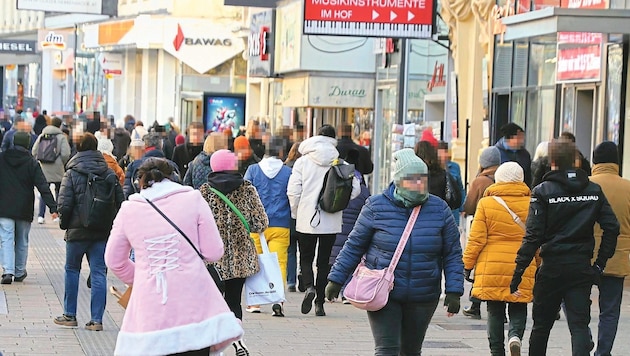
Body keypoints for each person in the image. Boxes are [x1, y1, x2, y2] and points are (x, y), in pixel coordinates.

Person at [325, 148, 463, 355]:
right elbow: (354, 245)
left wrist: (454, 291)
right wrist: (336, 280)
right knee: (387, 349)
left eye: (422, 179)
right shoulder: (376, 206)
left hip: (423, 294)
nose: (418, 185)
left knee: (410, 351)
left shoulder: (439, 209)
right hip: (383, 291)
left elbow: (452, 253)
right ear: (399, 180)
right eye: (412, 179)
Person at [104, 158, 243, 356]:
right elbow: (213, 252)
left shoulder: (129, 210)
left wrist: (144, 276)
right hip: (195, 308)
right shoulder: (193, 199)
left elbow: (113, 260)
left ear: (140, 182)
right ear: (174, 177)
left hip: (151, 312)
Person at [510, 138, 619, 356]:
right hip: (580, 267)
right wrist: (599, 264)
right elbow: (612, 227)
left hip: (551, 267)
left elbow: (533, 236)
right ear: (576, 162)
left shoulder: (542, 192)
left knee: (541, 327)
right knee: (579, 326)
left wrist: (519, 271)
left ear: (552, 162)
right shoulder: (593, 190)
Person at [199, 149, 268, 356]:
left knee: (210, 302)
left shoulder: (204, 191)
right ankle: (238, 342)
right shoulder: (247, 189)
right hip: (241, 257)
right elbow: (261, 223)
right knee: (233, 301)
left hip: (212, 260)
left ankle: (212, 346)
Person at [463, 162, 537, 356]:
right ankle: (515, 336)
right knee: (519, 306)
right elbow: (538, 239)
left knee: (495, 310)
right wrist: (539, 263)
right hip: (523, 263)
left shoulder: (487, 204)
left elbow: (477, 239)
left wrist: (467, 264)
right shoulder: (532, 204)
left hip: (492, 266)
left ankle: (497, 351)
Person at [287, 125, 361, 316]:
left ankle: (309, 286)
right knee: (323, 261)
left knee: (305, 256)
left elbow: (293, 191)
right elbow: (355, 190)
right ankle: (320, 303)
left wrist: (296, 212)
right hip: (331, 218)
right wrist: (340, 203)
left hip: (306, 217)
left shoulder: (302, 162)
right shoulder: (340, 163)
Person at [54, 133, 124, 331]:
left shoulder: (72, 172)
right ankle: (96, 320)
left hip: (76, 232)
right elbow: (122, 202)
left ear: (79, 148)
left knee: (71, 270)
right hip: (101, 231)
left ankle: (69, 315)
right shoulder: (108, 172)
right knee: (99, 272)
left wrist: (64, 224)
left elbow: (64, 203)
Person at [588, 142, 630, 356]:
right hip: (617, 256)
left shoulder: (584, 186)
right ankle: (603, 352)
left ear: (594, 160)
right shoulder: (628, 187)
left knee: (575, 303)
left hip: (584, 255)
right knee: (610, 310)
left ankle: (584, 339)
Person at [0, 132, 58, 284]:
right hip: (24, 207)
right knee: (22, 240)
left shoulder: (2, 158)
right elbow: (43, 186)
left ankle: (7, 271)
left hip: (4, 206)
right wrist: (53, 207)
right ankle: (19, 271)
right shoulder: (32, 162)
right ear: (27, 144)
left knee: (6, 238)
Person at [244, 137, 292, 316]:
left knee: (255, 262)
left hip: (256, 225)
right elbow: (293, 195)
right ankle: (278, 299)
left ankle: (255, 303)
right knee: (279, 262)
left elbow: (245, 195)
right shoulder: (288, 172)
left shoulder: (253, 170)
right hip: (280, 223)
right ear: (280, 152)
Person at [461, 146, 502, 319]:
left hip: (483, 228)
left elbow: (469, 206)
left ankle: (475, 304)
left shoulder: (480, 181)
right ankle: (502, 309)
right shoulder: (506, 177)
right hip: (504, 229)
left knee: (481, 266)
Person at [328, 148, 370, 304]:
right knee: (352, 255)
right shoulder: (363, 190)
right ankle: (346, 290)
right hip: (353, 227)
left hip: (337, 226)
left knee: (334, 256)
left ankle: (332, 288)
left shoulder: (334, 186)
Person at [31, 117, 71, 224]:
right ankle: (57, 215)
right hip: (57, 168)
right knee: (59, 192)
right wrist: (61, 162)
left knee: (44, 191)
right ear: (59, 125)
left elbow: (34, 151)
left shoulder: (42, 135)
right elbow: (66, 153)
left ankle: (41, 216)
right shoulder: (61, 137)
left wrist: (40, 161)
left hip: (43, 167)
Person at [123, 133, 180, 199]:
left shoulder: (133, 165)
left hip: (141, 205)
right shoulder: (172, 165)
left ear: (145, 146)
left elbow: (127, 192)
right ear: (161, 146)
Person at [284, 141, 302, 292]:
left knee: (291, 250)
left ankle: (291, 281)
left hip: (288, 215)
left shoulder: (285, 168)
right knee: (305, 249)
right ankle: (304, 279)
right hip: (304, 214)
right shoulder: (306, 168)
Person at [495, 123, 532, 187]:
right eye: (519, 138)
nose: (522, 141)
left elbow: (528, 177)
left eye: (523, 137)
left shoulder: (525, 154)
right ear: (510, 138)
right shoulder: (495, 153)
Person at [437, 141, 465, 224]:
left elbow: (460, 188)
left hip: (453, 209)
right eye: (441, 152)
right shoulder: (434, 168)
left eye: (445, 152)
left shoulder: (455, 167)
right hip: (440, 209)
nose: (444, 155)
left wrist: (462, 207)